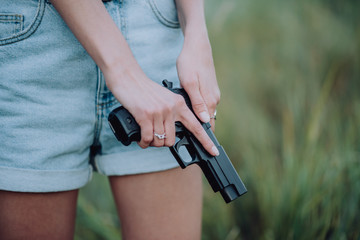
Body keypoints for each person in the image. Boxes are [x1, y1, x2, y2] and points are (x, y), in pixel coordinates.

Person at [0, 0, 220, 239]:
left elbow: (196, 29)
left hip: (154, 28)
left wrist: (197, 30)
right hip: (35, 42)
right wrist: (124, 72)